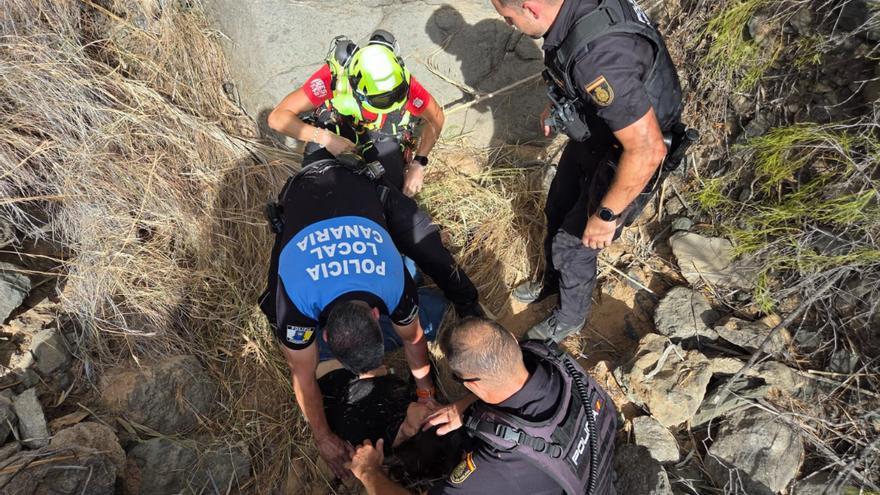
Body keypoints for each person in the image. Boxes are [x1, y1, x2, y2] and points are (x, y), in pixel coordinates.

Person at [258, 158, 481, 477]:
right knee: (273, 314)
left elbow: (414, 338)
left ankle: (460, 293)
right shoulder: (293, 302)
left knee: (431, 270)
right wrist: (323, 438)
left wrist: (426, 393)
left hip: (355, 183)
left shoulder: (392, 278)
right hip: (303, 193)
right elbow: (301, 375)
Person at [488, 0, 683, 342]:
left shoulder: (598, 59)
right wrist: (561, 100)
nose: (509, 25)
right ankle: (551, 282)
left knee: (573, 244)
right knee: (557, 207)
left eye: (509, 18)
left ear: (531, 8)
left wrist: (606, 215)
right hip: (598, 134)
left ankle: (570, 317)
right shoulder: (574, 12)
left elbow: (648, 149)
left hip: (629, 157)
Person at [347, 317, 619, 495]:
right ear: (512, 339)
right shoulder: (547, 357)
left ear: (474, 385)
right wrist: (461, 406)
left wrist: (368, 471)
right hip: (591, 455)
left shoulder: (499, 464)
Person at [268, 29, 444, 197]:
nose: (393, 101)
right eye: (381, 101)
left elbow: (435, 118)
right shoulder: (332, 78)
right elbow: (277, 118)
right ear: (355, 85)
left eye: (397, 95)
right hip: (336, 129)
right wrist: (324, 138)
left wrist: (418, 164)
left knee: (390, 189)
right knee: (316, 182)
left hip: (382, 133)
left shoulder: (400, 81)